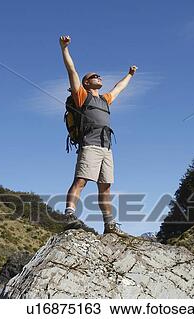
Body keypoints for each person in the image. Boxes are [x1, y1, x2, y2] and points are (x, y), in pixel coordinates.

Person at [59, 35, 137, 238]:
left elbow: (119, 88)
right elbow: (72, 70)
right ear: (86, 82)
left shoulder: (105, 99)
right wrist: (64, 48)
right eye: (95, 76)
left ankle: (109, 226)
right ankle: (69, 215)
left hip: (107, 147)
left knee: (106, 187)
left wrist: (130, 75)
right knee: (81, 180)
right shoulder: (81, 96)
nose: (99, 77)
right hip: (90, 145)